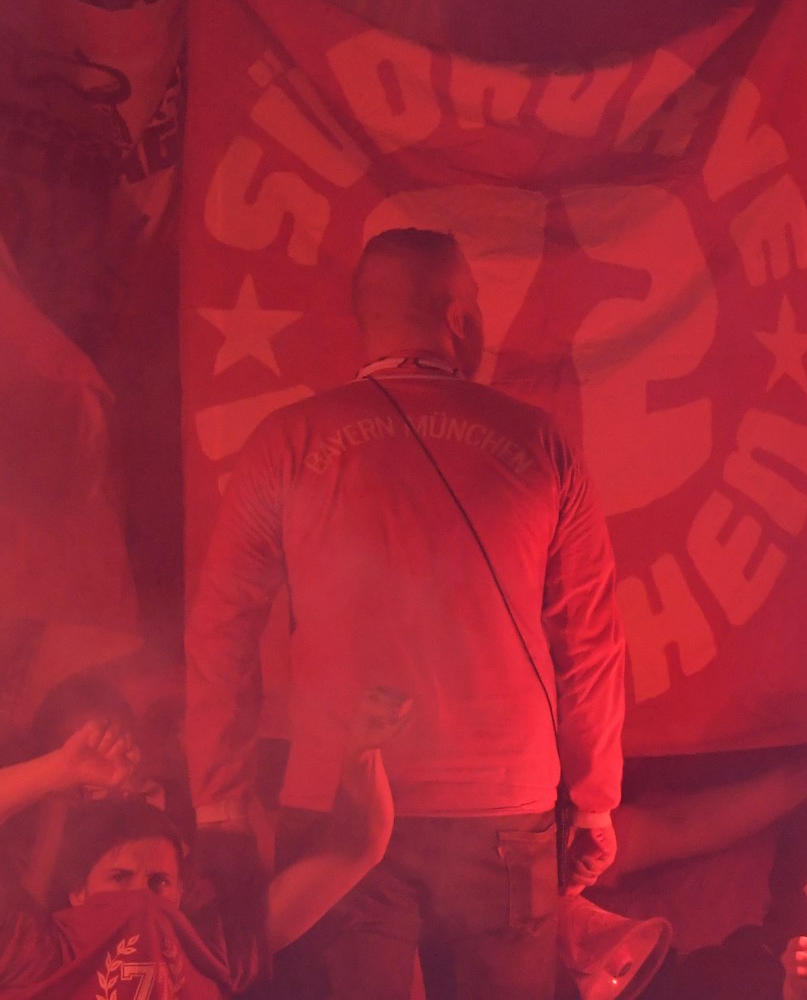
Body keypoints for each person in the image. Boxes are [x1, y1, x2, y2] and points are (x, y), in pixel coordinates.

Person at [185, 227, 628, 1000]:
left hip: (337, 808)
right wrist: (593, 801)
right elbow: (588, 640)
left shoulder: (286, 443)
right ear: (456, 314)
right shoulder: (540, 444)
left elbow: (221, 631)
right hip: (505, 810)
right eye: (478, 304)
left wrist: (220, 802)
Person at [0, 705, 402, 997]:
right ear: (78, 894)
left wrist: (363, 753)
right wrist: (59, 770)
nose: (140, 895)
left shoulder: (212, 950)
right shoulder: (40, 952)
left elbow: (358, 846)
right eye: (120, 878)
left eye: (159, 882)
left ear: (181, 893)